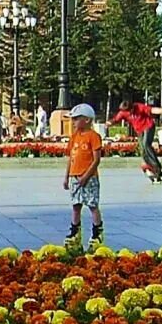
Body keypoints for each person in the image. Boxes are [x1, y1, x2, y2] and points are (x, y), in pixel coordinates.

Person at [64, 103, 104, 247]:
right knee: (76, 205)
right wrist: (67, 177)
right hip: (75, 177)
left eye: (76, 119)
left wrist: (86, 176)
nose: (73, 122)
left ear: (87, 120)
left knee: (92, 205)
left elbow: (96, 159)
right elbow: (71, 158)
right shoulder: (74, 137)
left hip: (89, 178)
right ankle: (75, 231)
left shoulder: (93, 137)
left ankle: (97, 232)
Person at [112, 99, 162, 183]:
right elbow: (116, 119)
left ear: (132, 108)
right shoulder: (123, 112)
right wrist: (110, 122)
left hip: (148, 126)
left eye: (129, 111)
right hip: (139, 130)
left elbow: (152, 110)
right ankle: (152, 168)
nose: (128, 113)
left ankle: (156, 166)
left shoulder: (139, 107)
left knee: (146, 144)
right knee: (142, 150)